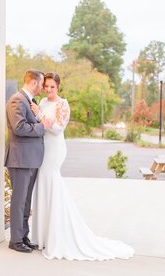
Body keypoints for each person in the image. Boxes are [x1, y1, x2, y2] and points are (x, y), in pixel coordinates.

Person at [30, 72, 134, 260]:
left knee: (52, 183)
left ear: (58, 87)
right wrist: (39, 114)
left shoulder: (62, 104)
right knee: (42, 185)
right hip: (42, 148)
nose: (48, 90)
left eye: (52, 87)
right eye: (46, 86)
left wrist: (40, 115)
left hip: (55, 149)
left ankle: (57, 235)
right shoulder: (42, 102)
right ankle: (41, 236)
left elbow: (57, 129)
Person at [4, 69, 52, 253]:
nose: (42, 88)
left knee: (26, 200)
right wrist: (42, 127)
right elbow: (19, 127)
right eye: (41, 84)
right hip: (20, 159)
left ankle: (23, 236)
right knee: (19, 200)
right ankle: (15, 240)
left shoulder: (29, 101)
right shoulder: (17, 100)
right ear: (34, 83)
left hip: (29, 159)